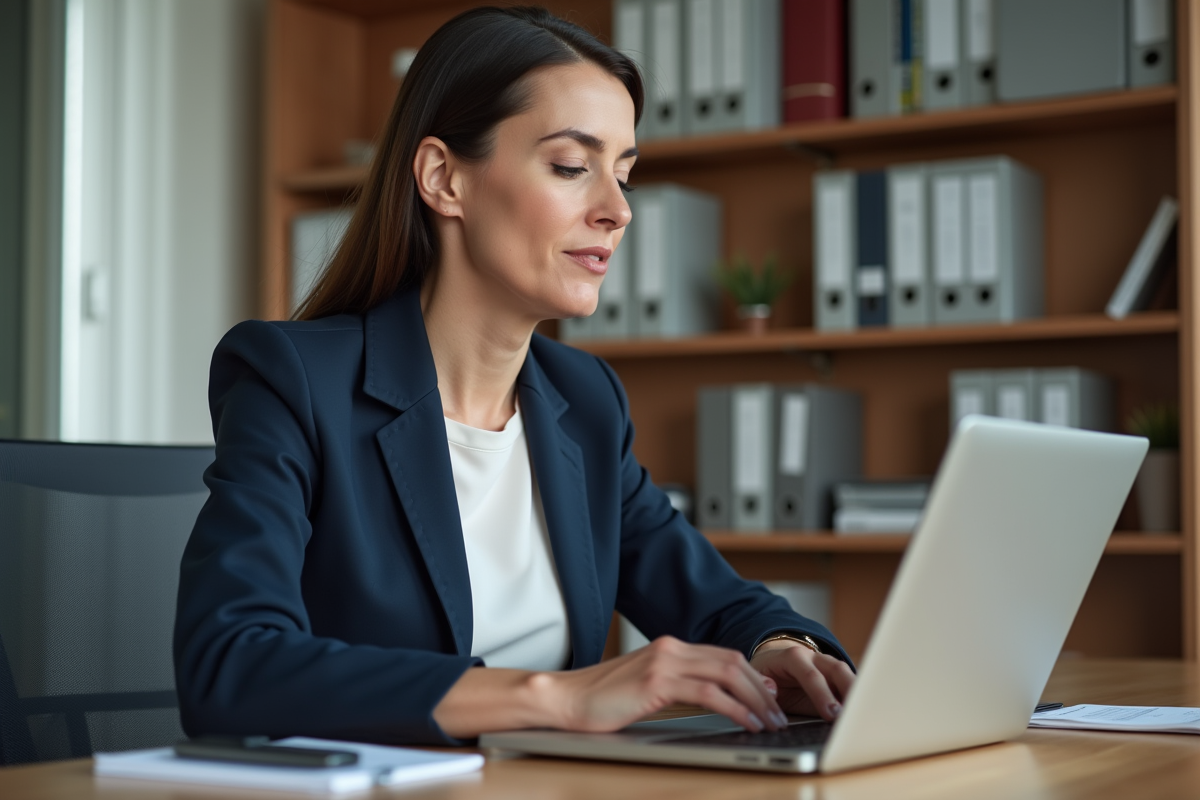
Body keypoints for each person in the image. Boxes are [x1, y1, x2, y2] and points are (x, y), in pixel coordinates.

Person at [174, 5, 855, 746]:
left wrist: (783, 649)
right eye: (571, 167)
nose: (617, 211)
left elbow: (718, 604)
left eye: (624, 176)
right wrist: (556, 698)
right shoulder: (295, 380)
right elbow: (232, 669)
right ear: (444, 179)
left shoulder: (585, 402)